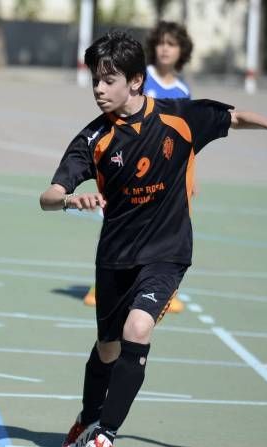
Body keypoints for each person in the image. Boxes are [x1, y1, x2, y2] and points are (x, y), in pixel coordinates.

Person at [39, 31, 267, 447]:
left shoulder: (180, 118)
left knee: (138, 328)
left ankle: (105, 439)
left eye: (108, 79)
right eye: (95, 81)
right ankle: (88, 418)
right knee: (107, 349)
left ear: (136, 81)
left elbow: (233, 118)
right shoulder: (95, 138)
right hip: (115, 257)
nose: (99, 89)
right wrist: (69, 200)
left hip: (167, 252)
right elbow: (48, 194)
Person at [83, 20, 194, 312]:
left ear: (182, 50)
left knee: (170, 226)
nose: (165, 49)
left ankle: (161, 286)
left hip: (166, 175)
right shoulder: (142, 79)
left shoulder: (182, 89)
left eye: (172, 44)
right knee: (118, 221)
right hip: (129, 169)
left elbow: (185, 135)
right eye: (161, 43)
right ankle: (104, 283)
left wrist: (191, 175)